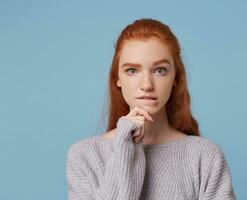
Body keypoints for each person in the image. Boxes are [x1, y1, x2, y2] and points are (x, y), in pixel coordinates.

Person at [66, 18, 236, 200]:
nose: (147, 84)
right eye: (132, 70)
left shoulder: (205, 155)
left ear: (175, 78)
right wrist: (124, 145)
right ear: (118, 78)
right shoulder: (84, 155)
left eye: (160, 70)